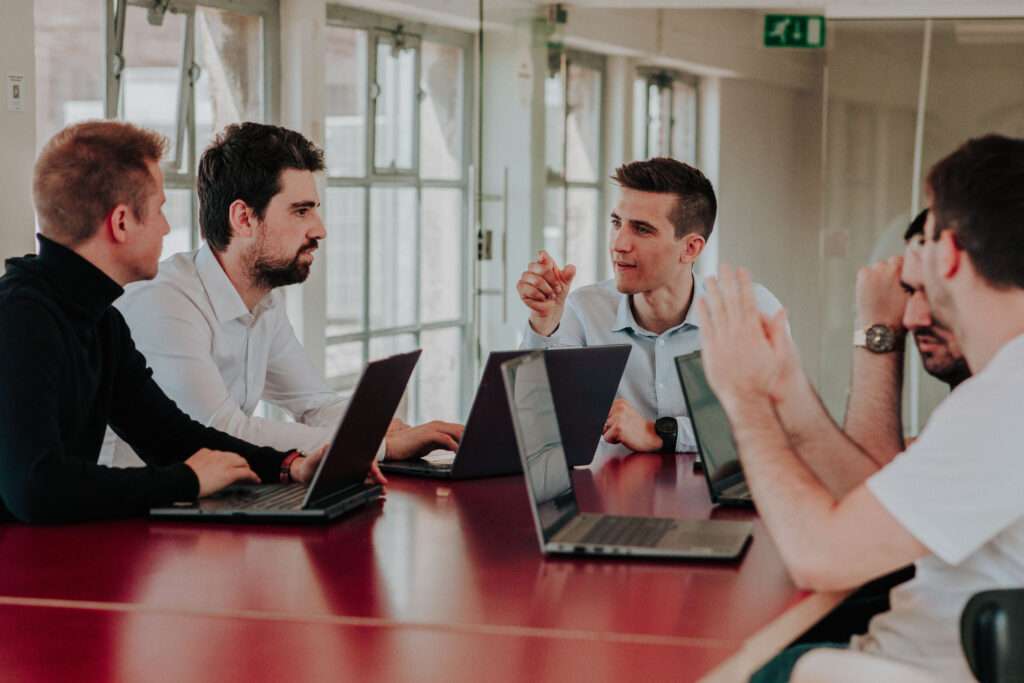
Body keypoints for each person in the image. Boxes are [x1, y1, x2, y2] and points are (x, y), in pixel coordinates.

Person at [695, 134, 1024, 682]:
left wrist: (744, 398)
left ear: (949, 254)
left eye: (929, 235)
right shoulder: (999, 388)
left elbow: (818, 556)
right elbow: (880, 504)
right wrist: (787, 390)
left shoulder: (1004, 402)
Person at [0, 121, 332, 523]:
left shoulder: (101, 320)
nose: (166, 227)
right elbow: (36, 488)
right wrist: (186, 482)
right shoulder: (22, 318)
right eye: (158, 210)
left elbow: (171, 436)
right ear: (121, 223)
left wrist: (288, 465)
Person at [102, 122, 462, 469]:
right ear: (243, 218)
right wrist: (378, 447)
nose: (319, 230)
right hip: (130, 520)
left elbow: (315, 405)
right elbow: (222, 431)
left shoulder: (264, 303)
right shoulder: (164, 301)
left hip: (205, 507)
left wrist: (391, 431)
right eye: (301, 211)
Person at [516, 157, 782, 458]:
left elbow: (769, 423)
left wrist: (658, 434)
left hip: (712, 502)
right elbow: (535, 430)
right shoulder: (582, 310)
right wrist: (544, 324)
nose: (619, 243)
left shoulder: (750, 310)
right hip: (608, 501)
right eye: (617, 223)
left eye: (642, 230)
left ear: (690, 248)